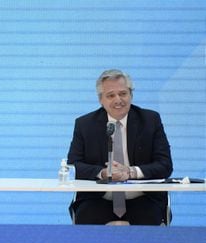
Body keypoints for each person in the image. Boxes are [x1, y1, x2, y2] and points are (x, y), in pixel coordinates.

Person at [68, 69, 173, 225]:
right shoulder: (85, 124)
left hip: (142, 198)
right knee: (86, 222)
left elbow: (165, 165)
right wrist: (102, 173)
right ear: (100, 100)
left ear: (131, 95)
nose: (118, 100)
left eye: (123, 93)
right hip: (99, 199)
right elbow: (73, 166)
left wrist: (131, 172)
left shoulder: (150, 120)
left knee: (150, 224)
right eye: (110, 95)